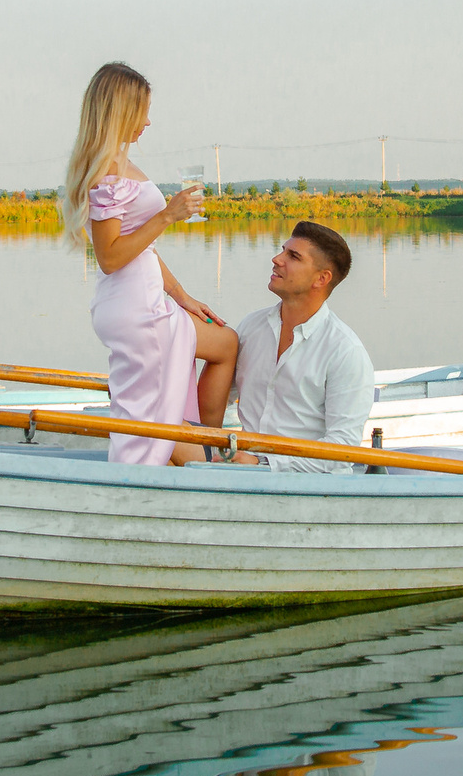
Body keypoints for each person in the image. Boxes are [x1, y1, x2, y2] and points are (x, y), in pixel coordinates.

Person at [60, 63, 237, 465]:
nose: (148, 121)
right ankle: (193, 467)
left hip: (143, 296)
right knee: (150, 417)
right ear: (120, 111)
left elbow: (143, 252)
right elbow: (110, 257)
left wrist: (183, 296)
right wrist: (167, 216)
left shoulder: (118, 165)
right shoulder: (107, 173)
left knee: (225, 343)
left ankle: (203, 451)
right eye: (142, 110)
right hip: (136, 306)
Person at [225, 221, 374, 472]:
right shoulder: (251, 327)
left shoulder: (345, 351)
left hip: (308, 486)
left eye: (292, 256)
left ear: (321, 278)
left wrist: (265, 462)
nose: (276, 259)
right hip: (244, 469)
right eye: (283, 250)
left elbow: (343, 448)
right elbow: (217, 401)